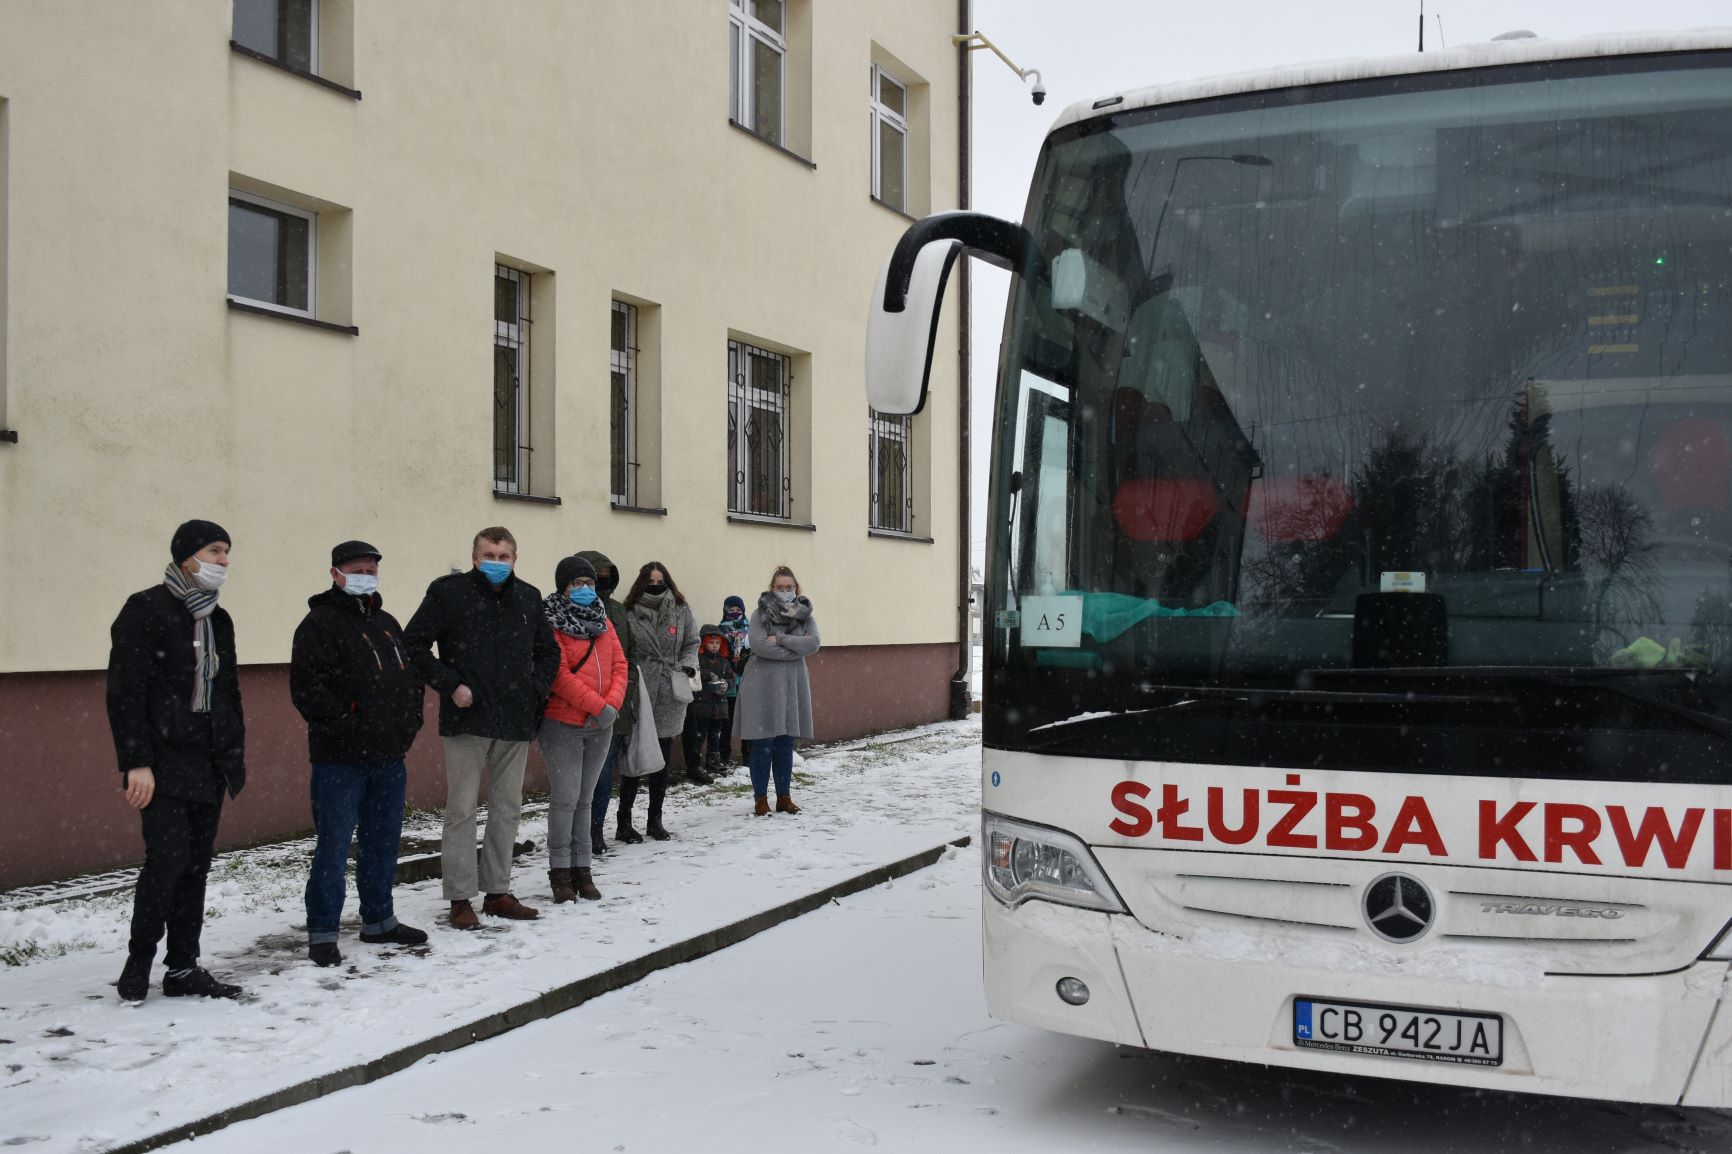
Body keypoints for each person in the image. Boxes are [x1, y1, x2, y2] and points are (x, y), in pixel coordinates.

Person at [106, 520, 247, 1003]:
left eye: (227, 551)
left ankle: (183, 967)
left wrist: (233, 752)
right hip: (163, 761)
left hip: (208, 759)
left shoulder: (218, 619)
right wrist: (135, 762)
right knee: (166, 861)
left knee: (196, 868)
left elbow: (227, 692)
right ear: (187, 557)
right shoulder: (145, 610)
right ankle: (139, 959)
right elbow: (125, 694)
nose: (225, 561)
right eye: (215, 551)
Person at [402, 527, 559, 930]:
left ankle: (497, 891)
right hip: (467, 719)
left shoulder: (527, 597)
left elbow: (548, 652)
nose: (496, 562)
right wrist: (450, 685)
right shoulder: (448, 593)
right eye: (489, 555)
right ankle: (460, 898)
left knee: (507, 810)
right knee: (461, 811)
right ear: (474, 558)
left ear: (514, 559)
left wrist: (534, 691)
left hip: (514, 719)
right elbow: (414, 644)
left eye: (504, 556)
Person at [289, 540, 429, 968]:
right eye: (356, 568)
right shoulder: (318, 624)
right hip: (340, 760)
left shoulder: (387, 623)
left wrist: (409, 724)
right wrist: (352, 726)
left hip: (389, 758)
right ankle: (323, 931)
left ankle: (379, 920)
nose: (365, 575)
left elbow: (409, 679)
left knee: (382, 843)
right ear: (335, 573)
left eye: (371, 568)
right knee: (333, 847)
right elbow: (309, 692)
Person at [538, 555, 626, 903]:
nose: (585, 589)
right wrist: (598, 706)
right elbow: (558, 676)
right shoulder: (551, 621)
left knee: (586, 800)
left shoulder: (603, 620)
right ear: (563, 587)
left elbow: (620, 663)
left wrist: (612, 707)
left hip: (601, 724)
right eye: (577, 583)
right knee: (565, 798)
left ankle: (583, 868)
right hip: (563, 723)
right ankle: (559, 871)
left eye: (589, 583)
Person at [619, 561, 701, 841]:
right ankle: (624, 822)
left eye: (660, 580)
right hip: (640, 687)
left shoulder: (680, 610)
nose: (656, 585)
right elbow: (622, 649)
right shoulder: (628, 613)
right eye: (650, 582)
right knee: (635, 755)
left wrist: (687, 666)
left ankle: (655, 820)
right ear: (642, 583)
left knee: (662, 760)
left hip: (669, 687)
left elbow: (692, 641)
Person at [734, 565, 819, 816]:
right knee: (763, 743)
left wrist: (781, 639)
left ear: (796, 589)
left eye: (789, 587)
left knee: (785, 743)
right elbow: (760, 647)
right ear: (772, 589)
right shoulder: (760, 614)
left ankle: (784, 796)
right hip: (763, 685)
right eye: (780, 587)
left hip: (793, 685)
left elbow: (813, 644)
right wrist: (795, 649)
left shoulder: (806, 616)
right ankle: (761, 798)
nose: (784, 591)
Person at [577, 549, 637, 858]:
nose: (601, 582)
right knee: (580, 780)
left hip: (615, 707)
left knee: (604, 777)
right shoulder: (566, 610)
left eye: (604, 577)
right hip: (576, 709)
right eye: (592, 577)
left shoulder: (617, 610)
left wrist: (623, 695)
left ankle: (596, 829)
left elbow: (627, 656)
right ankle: (577, 834)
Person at [681, 626, 737, 775]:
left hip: (720, 706)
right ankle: (695, 764)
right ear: (704, 643)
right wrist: (708, 675)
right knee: (699, 735)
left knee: (715, 735)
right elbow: (694, 673)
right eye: (711, 642)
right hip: (701, 705)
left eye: (718, 643)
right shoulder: (699, 659)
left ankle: (713, 761)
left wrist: (726, 683)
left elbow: (732, 677)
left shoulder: (724, 661)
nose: (715, 646)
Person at [718, 594, 751, 767]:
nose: (735, 612)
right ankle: (724, 755)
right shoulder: (720, 631)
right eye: (732, 609)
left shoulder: (750, 630)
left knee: (747, 720)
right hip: (729, 682)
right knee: (727, 721)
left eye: (739, 610)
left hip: (747, 681)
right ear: (725, 610)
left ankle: (748, 754)